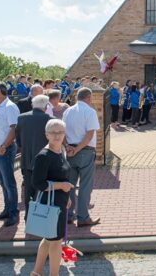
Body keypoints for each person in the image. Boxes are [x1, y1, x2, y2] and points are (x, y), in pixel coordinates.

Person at [31, 119, 73, 276]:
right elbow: (38, 183)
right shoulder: (43, 156)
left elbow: (62, 175)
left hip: (59, 202)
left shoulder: (61, 150)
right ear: (46, 134)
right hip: (50, 205)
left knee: (49, 239)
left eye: (60, 132)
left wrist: (67, 196)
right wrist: (61, 186)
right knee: (55, 242)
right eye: (53, 132)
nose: (57, 136)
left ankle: (36, 272)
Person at [63, 87, 100, 227]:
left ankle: (68, 214)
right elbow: (89, 135)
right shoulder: (90, 112)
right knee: (85, 186)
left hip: (70, 151)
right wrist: (77, 149)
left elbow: (62, 131)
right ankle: (83, 217)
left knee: (70, 185)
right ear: (88, 97)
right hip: (85, 151)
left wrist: (67, 147)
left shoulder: (67, 111)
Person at [0, 82, 20, 226]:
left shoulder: (10, 107)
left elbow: (14, 128)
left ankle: (13, 213)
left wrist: (4, 146)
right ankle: (7, 210)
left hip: (4, 150)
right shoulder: (1, 107)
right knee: (3, 183)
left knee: (9, 183)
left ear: (0, 91)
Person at [15, 94, 52, 219]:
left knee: (28, 190)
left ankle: (28, 216)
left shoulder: (21, 118)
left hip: (27, 160)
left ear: (32, 105)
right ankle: (39, 218)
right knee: (42, 190)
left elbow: (18, 140)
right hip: (45, 161)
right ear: (46, 106)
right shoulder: (49, 119)